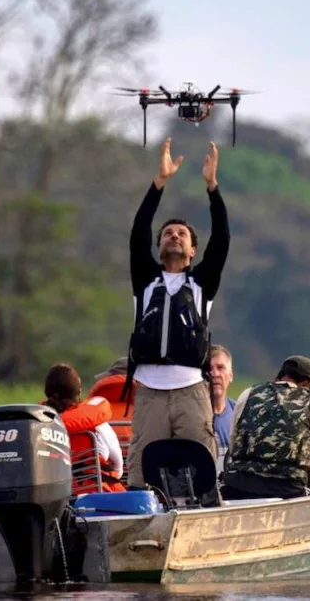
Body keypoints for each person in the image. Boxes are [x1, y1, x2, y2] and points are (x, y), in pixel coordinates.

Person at [121, 137, 230, 489]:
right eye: (168, 233)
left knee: (202, 471)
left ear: (193, 249)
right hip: (149, 392)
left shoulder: (201, 284)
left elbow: (222, 240)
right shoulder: (145, 280)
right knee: (141, 473)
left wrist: (212, 187)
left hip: (191, 392)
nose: (174, 236)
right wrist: (159, 182)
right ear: (159, 246)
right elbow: (138, 231)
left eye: (182, 234)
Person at [219, 356, 310, 500]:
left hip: (239, 487)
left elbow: (233, 443)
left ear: (278, 378)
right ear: (308, 383)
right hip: (288, 492)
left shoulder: (248, 395)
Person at [41, 363, 126, 495]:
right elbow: (118, 468)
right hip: (95, 496)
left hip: (56, 496)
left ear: (47, 392)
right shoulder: (99, 426)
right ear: (78, 392)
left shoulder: (38, 426)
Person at [207, 344, 237, 460]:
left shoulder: (239, 414)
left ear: (231, 375)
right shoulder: (190, 416)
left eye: (220, 368)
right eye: (209, 369)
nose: (215, 374)